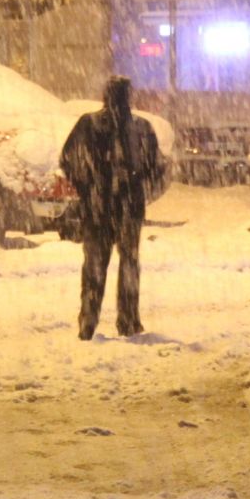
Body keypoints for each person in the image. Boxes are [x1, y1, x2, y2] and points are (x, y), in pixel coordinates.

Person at [59, 76, 166, 340]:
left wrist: (88, 187)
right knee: (128, 264)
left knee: (95, 265)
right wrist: (140, 190)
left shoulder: (89, 124)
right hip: (128, 207)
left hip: (98, 207)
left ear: (104, 96)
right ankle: (128, 321)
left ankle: (88, 322)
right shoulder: (142, 128)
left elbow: (68, 159)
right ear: (129, 97)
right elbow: (157, 169)